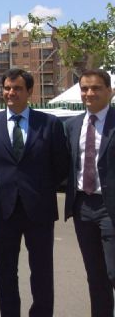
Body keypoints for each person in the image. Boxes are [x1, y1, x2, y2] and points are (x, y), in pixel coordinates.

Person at [0, 68, 70, 317]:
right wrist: (4, 182)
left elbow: (61, 164)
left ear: (30, 91)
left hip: (39, 208)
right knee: (5, 270)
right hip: (4, 207)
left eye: (17, 88)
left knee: (41, 271)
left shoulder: (48, 123)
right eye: (7, 88)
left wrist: (39, 185)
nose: (11, 93)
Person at [64, 69, 115, 317]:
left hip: (111, 207)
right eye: (84, 88)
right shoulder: (72, 126)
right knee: (95, 275)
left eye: (96, 88)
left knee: (113, 271)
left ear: (110, 91)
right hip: (83, 207)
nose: (89, 93)